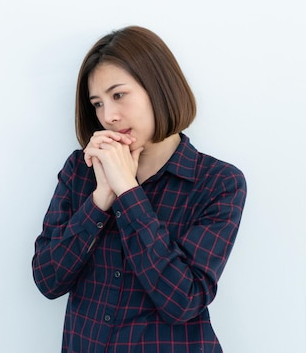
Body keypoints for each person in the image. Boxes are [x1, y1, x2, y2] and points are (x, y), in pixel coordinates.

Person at [32, 26, 247, 353]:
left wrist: (128, 193)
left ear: (158, 88)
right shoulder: (81, 170)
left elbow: (183, 300)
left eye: (118, 95)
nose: (108, 116)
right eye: (97, 103)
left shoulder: (218, 182)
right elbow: (48, 280)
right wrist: (100, 198)